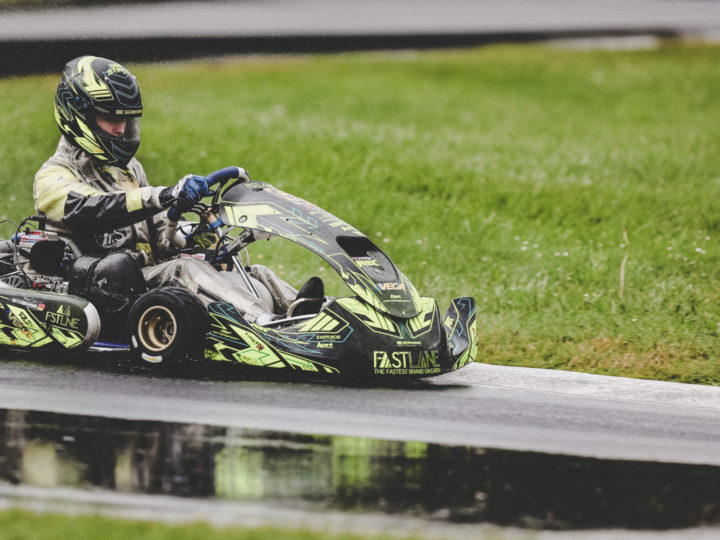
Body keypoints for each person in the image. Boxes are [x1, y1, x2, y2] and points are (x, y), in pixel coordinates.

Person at [33, 56, 322, 338]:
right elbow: (94, 208)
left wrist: (187, 225)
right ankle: (265, 326)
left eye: (126, 119)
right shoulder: (53, 175)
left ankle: (311, 315)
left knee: (248, 269)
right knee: (185, 268)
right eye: (110, 118)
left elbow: (161, 241)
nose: (121, 129)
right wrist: (163, 195)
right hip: (101, 284)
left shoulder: (128, 171)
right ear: (78, 114)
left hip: (145, 276)